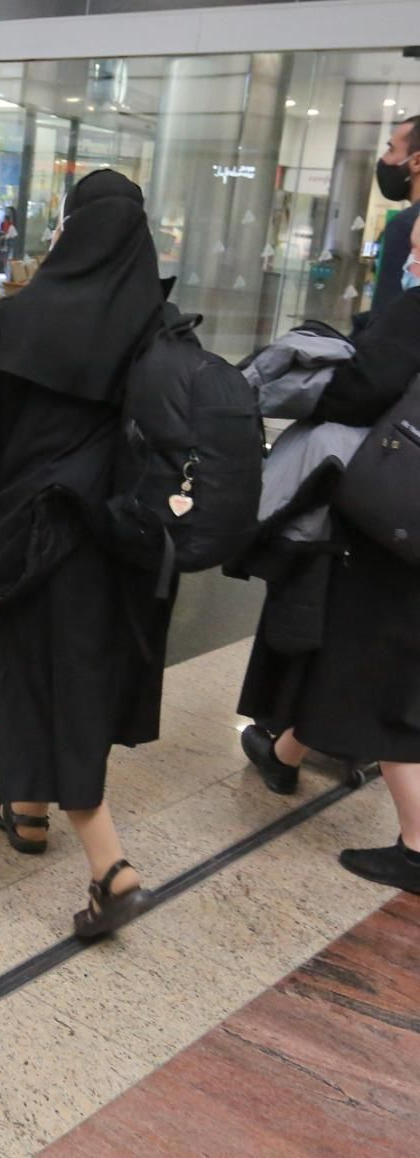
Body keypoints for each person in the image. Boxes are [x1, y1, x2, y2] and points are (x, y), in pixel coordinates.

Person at [0, 170, 169, 939]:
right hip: (117, 536)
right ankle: (27, 811)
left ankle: (111, 866)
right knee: (66, 674)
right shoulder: (157, 326)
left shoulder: (10, 324)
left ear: (70, 230)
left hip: (31, 526)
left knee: (35, 676)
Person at [238, 214, 420, 894]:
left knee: (379, 672)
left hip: (391, 520)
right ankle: (282, 750)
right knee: (345, 647)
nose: (407, 251)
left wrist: (314, 380)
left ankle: (417, 843)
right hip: (406, 519)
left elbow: (366, 386)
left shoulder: (418, 309)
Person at [370, 115, 420, 322]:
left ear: (416, 161)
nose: (385, 159)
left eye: (391, 150)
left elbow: (387, 318)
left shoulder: (406, 226)